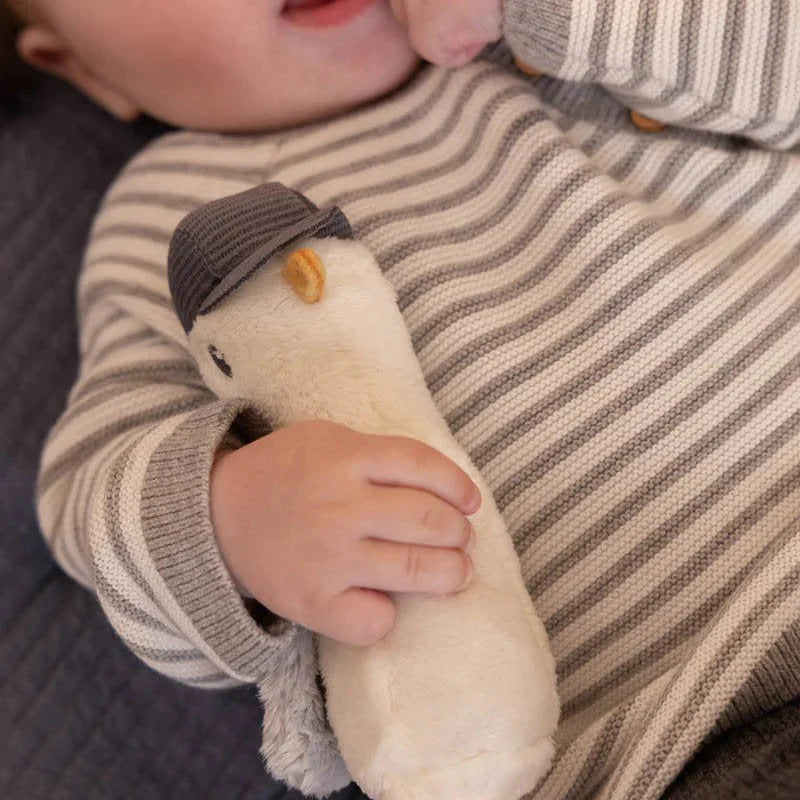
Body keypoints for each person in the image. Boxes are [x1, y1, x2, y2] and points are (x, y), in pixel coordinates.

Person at [9, 0, 800, 796]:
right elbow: (94, 489)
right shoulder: (170, 218)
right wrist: (231, 515)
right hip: (676, 734)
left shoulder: (582, 26)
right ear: (81, 68)